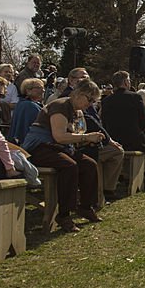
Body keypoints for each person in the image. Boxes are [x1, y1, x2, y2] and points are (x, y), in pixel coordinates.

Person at [21, 80, 105, 233]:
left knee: (89, 165)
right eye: (90, 99)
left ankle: (85, 206)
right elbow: (59, 136)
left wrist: (88, 139)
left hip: (58, 147)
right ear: (79, 94)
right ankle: (64, 215)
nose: (91, 104)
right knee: (69, 166)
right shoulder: (61, 106)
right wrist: (87, 137)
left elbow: (75, 136)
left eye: (94, 101)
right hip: (40, 147)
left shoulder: (77, 111)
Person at [9, 77, 46, 145]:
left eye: (43, 87)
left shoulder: (24, 103)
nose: (43, 90)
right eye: (38, 88)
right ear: (28, 90)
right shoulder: (29, 106)